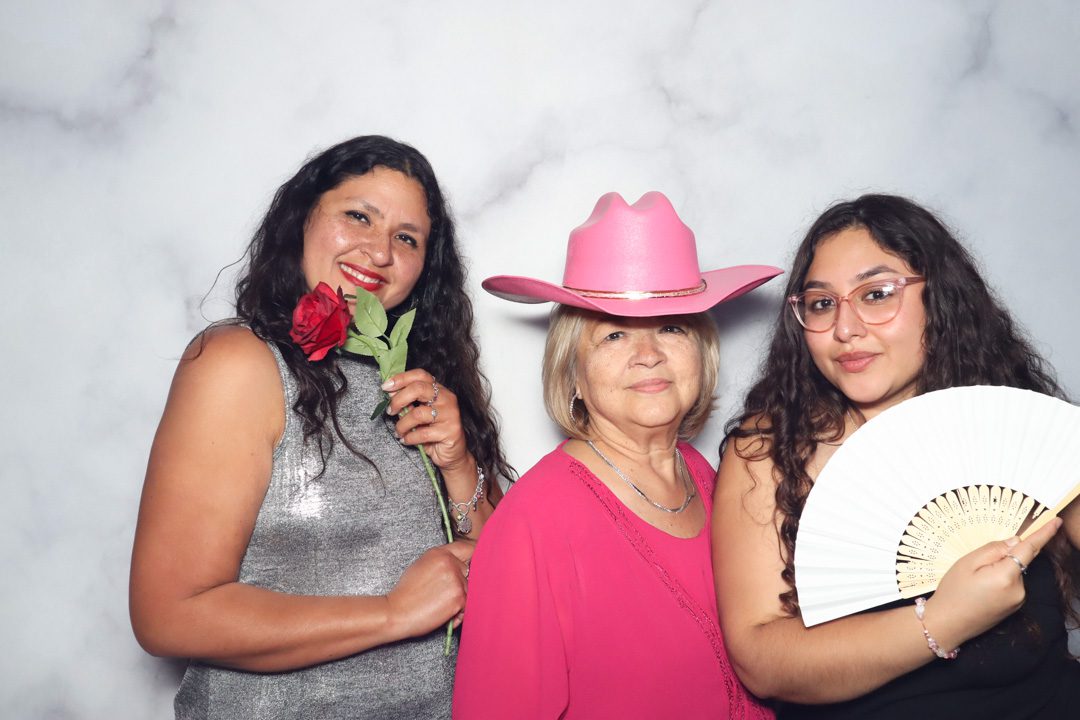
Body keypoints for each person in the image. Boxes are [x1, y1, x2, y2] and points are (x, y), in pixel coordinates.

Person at [129, 135, 513, 719]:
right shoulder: (239, 364)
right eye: (358, 216)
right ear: (302, 218)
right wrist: (392, 614)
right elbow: (169, 615)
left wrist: (460, 464)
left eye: (406, 238)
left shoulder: (413, 378)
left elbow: (505, 578)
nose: (379, 252)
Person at [713, 193, 1080, 719]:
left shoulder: (1012, 425)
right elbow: (761, 660)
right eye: (821, 303)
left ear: (941, 299)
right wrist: (943, 621)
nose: (846, 329)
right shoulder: (770, 451)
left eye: (877, 294)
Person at [453, 191, 782, 719]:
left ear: (702, 352)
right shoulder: (531, 523)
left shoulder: (711, 476)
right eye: (613, 335)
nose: (648, 354)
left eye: (671, 327)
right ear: (572, 374)